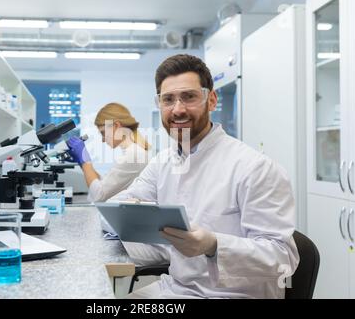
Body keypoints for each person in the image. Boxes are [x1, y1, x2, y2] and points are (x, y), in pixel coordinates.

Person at [109, 54, 299, 299]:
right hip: (176, 289)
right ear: (160, 104)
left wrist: (213, 245)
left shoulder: (254, 168)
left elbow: (284, 258)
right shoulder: (163, 162)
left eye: (189, 97)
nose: (178, 109)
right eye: (168, 99)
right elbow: (122, 206)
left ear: (211, 100)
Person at [66, 103, 151, 202]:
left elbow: (99, 195)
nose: (103, 139)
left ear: (116, 126)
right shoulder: (133, 152)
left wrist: (85, 160)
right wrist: (81, 162)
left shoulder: (134, 155)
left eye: (103, 132)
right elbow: (103, 184)